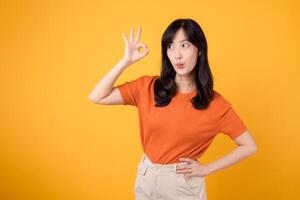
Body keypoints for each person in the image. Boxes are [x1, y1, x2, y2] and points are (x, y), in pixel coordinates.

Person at [88, 18, 257, 200]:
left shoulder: (215, 104)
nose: (177, 55)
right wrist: (125, 62)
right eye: (170, 46)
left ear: (199, 49)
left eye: (184, 45)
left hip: (182, 184)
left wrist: (207, 169)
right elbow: (97, 96)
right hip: (147, 176)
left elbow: (249, 146)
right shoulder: (148, 87)